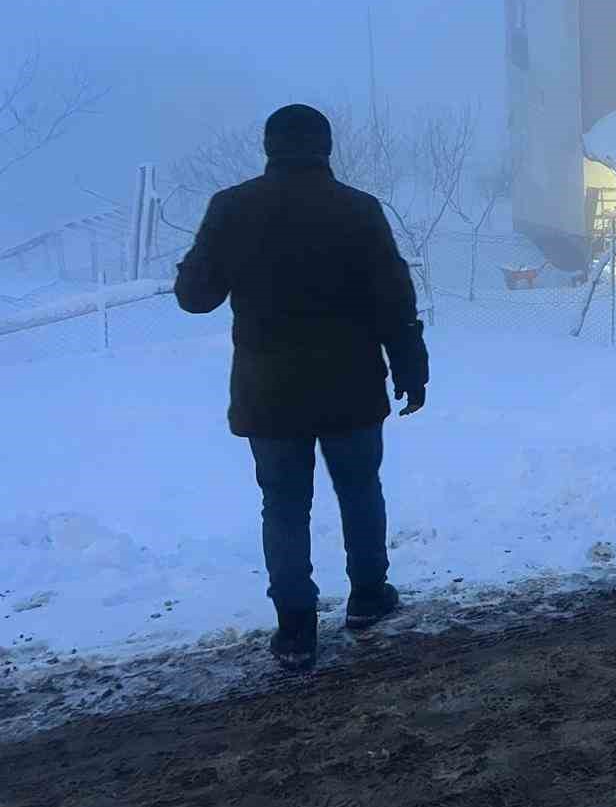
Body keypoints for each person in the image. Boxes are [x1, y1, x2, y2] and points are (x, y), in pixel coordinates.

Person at [175, 104, 430, 670]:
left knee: (284, 507)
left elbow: (196, 298)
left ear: (269, 148)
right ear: (326, 148)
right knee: (360, 491)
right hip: (352, 384)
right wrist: (411, 367)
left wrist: (197, 262)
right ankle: (368, 597)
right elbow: (393, 298)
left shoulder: (231, 208)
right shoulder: (358, 210)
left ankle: (295, 628)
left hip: (269, 393)